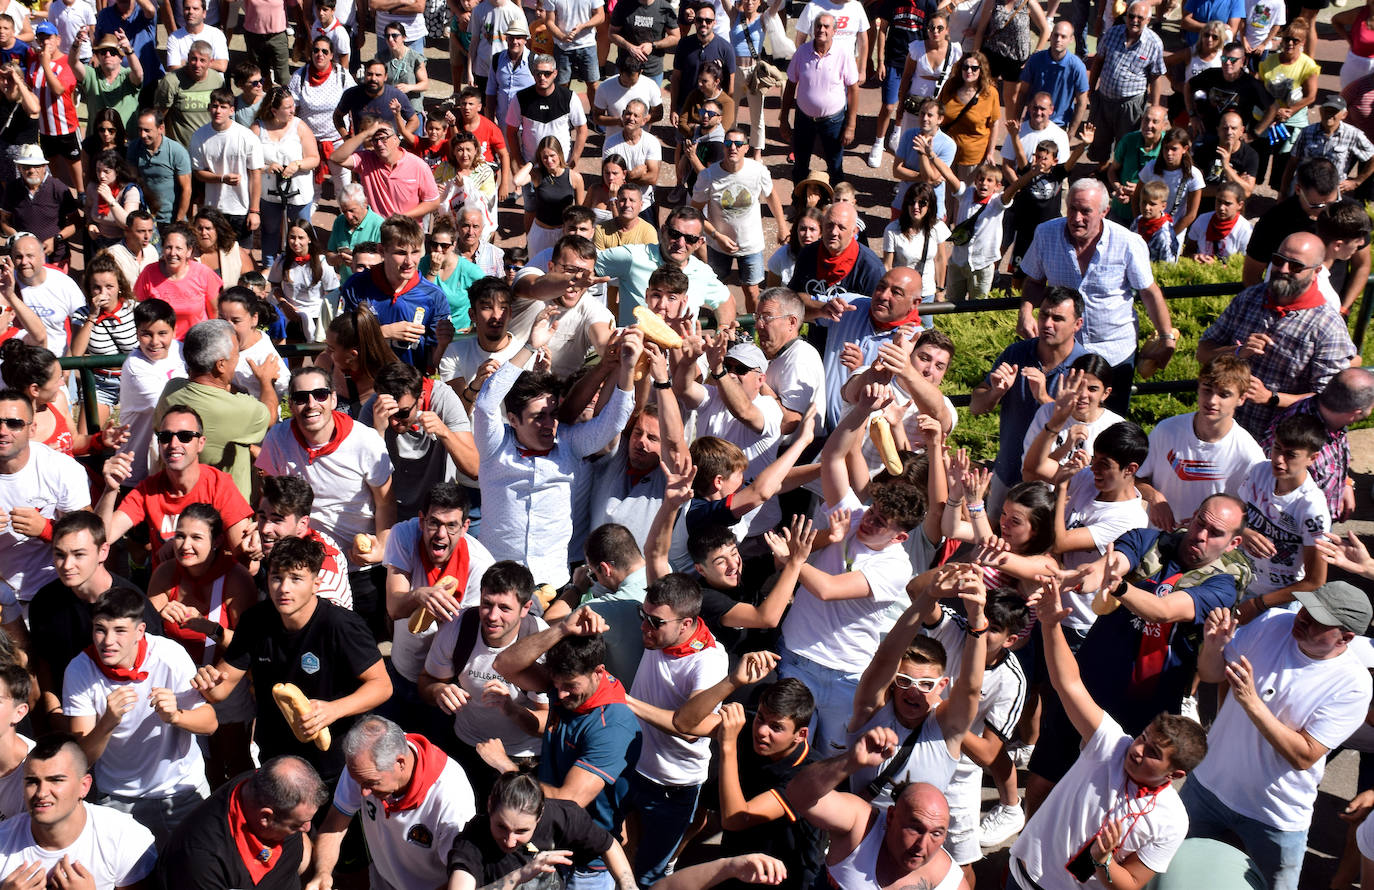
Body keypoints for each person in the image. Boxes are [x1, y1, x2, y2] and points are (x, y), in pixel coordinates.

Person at [1007, 576, 1206, 890]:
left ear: (1175, 773)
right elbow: (1069, 683)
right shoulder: (1111, 744)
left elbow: (1131, 884)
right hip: (1022, 877)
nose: (1137, 750)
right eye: (1143, 739)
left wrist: (1103, 861)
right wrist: (1049, 625)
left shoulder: (1171, 820)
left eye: (1153, 753)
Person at [1184, 584, 1373, 890]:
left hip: (1274, 814)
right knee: (1179, 872)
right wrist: (1214, 647)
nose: (1303, 618)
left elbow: (1304, 755)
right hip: (1207, 786)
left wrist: (1252, 702)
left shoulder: (1353, 685)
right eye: (1306, 608)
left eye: (1319, 619)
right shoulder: (1273, 622)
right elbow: (1211, 675)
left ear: (1346, 638)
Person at [191, 535, 391, 785]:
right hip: (277, 759)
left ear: (316, 584)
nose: (284, 588)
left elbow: (382, 685)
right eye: (277, 577)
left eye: (296, 579)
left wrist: (333, 710)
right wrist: (206, 682)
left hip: (335, 764)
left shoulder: (341, 625)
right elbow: (221, 688)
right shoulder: (255, 622)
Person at [473, 314, 640, 588]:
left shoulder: (569, 444)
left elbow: (613, 423)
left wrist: (628, 368)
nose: (549, 424)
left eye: (553, 414)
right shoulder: (494, 445)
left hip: (552, 581)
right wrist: (529, 347)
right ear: (513, 419)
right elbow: (486, 403)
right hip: (498, 579)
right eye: (538, 417)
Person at [491, 607, 642, 890]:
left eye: (569, 686)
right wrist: (560, 629)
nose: (558, 694)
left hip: (587, 864)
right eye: (555, 683)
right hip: (548, 842)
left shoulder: (612, 726)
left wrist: (506, 768)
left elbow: (568, 802)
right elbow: (504, 665)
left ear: (598, 672)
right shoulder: (567, 685)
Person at [63, 585, 215, 846]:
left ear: (140, 631)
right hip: (117, 799)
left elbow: (210, 723)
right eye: (100, 629)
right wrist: (107, 723)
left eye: (120, 631)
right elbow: (81, 759)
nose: (108, 641)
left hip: (181, 792)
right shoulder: (79, 670)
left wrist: (177, 717)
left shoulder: (169, 655)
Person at [255, 366, 395, 638]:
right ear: (291, 405)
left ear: (333, 399)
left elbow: (386, 502)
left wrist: (381, 547)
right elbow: (268, 499)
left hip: (359, 569)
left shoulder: (364, 440)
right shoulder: (277, 439)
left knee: (363, 650)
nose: (311, 404)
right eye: (301, 397)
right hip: (301, 569)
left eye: (319, 395)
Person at [1017, 178, 1173, 413]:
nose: (1077, 218)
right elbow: (1034, 282)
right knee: (1060, 420)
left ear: (1104, 211)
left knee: (1111, 429)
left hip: (1115, 352)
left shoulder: (1128, 242)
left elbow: (1149, 292)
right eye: (1072, 209)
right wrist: (1026, 312)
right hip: (1064, 353)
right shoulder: (1046, 234)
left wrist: (1166, 337)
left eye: (1085, 211)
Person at [1198, 231, 1357, 437]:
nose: (1283, 269)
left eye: (1296, 266)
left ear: (1316, 271)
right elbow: (1203, 351)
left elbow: (1328, 398)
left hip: (1280, 445)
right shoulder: (1250, 298)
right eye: (1278, 260)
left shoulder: (1327, 326)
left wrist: (1272, 398)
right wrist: (1236, 352)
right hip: (1225, 435)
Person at [146, 504, 257, 786]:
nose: (185, 545)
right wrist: (159, 616)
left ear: (217, 540)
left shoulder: (236, 579)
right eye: (180, 536)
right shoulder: (165, 574)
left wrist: (210, 628)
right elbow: (142, 632)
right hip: (177, 681)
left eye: (196, 537)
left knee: (233, 763)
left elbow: (250, 645)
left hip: (223, 677)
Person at [418, 561, 549, 798]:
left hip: (522, 757)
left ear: (526, 607)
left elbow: (550, 722)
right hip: (466, 746)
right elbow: (426, 682)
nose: (492, 616)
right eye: (486, 604)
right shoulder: (458, 627)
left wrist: (512, 710)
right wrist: (438, 691)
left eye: (504, 608)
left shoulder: (539, 639)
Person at [27, 512, 164, 727]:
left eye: (78, 554)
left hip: (127, 723)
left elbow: (155, 675)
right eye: (60, 554)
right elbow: (46, 664)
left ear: (103, 551)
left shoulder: (136, 608)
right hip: (69, 717)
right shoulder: (44, 602)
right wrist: (54, 713)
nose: (67, 565)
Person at [308, 715, 476, 890]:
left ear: (400, 763)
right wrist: (323, 873)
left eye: (371, 783)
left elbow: (461, 875)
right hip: (382, 880)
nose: (363, 792)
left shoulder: (451, 798)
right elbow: (335, 823)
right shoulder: (364, 766)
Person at [98, 404, 255, 562]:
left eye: (185, 436)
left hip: (210, 583)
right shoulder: (148, 489)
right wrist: (110, 490)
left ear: (201, 443)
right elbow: (100, 540)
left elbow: (247, 559)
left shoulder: (218, 484)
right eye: (165, 437)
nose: (173, 444)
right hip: (165, 583)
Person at [0, 734, 157, 888]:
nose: (41, 793)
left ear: (84, 786)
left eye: (56, 780)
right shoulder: (3, 840)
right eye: (32, 782)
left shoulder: (124, 837)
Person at [788, 756, 967, 890]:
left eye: (936, 833)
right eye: (915, 829)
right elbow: (798, 794)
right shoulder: (860, 824)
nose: (922, 845)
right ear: (890, 816)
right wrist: (850, 759)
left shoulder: (947, 879)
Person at [445, 771, 640, 890]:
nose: (510, 841)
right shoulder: (472, 840)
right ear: (489, 806)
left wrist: (628, 886)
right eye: (501, 827)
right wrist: (521, 875)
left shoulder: (563, 815)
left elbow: (608, 845)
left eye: (521, 831)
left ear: (539, 816)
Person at [157, 755, 328, 890]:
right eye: (297, 825)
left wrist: (319, 875)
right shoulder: (201, 860)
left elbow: (300, 849)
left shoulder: (265, 786)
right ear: (265, 818)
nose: (306, 828)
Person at [1136, 355, 1265, 530]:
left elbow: (1252, 515)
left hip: (1207, 550)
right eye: (1207, 389)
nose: (1212, 400)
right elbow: (1135, 477)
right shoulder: (1166, 430)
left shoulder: (1249, 455)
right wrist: (1155, 498)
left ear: (1241, 399)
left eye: (1224, 394)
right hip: (1154, 539)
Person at [155, 319, 278, 498]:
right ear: (220, 365)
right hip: (229, 512)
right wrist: (266, 381)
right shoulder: (238, 409)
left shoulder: (171, 390)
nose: (238, 359)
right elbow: (271, 415)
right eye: (236, 353)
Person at [0, 389, 91, 611]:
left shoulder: (60, 468)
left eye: (14, 423)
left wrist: (47, 529)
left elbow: (90, 536)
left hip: (55, 592)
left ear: (32, 429)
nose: (2, 431)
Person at [692, 127, 787, 314]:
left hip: (750, 245)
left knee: (752, 290)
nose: (732, 147)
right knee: (718, 290)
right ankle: (725, 328)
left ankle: (751, 331)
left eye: (738, 144)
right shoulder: (708, 176)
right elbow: (695, 212)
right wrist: (716, 236)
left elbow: (771, 196)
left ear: (746, 148)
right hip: (718, 246)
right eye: (728, 143)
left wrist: (782, 227)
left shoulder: (758, 171)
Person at [338, 214, 451, 372]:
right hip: (366, 386)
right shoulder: (356, 286)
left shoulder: (433, 296)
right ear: (381, 251)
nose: (409, 261)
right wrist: (385, 332)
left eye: (416, 252)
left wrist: (443, 344)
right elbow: (340, 339)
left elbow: (431, 363)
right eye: (401, 253)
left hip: (411, 387)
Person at [779, 14, 859, 186]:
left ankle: (837, 207)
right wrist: (783, 118)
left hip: (833, 121)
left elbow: (853, 89)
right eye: (818, 26)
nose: (821, 30)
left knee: (835, 167)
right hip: (804, 119)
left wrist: (851, 125)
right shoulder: (802, 52)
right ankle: (798, 203)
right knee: (800, 165)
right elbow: (791, 85)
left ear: (834, 31)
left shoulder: (843, 53)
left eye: (826, 26)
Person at [1087, 2, 1165, 163]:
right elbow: (1098, 61)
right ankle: (1101, 169)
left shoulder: (1154, 43)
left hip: (1131, 105)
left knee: (1126, 142)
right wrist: (1091, 89)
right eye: (1131, 16)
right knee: (1100, 139)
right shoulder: (1112, 33)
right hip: (1104, 99)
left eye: (1140, 17)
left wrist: (1155, 107)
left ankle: (1118, 174)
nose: (1134, 20)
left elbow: (1156, 77)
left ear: (1148, 20)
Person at [190, 88, 266, 245]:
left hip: (241, 208)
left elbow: (255, 175)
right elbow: (198, 173)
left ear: (232, 110)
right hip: (213, 209)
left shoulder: (246, 137)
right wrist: (222, 179)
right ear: (209, 108)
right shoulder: (199, 136)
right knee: (213, 254)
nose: (218, 111)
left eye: (223, 107)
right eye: (214, 106)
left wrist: (254, 211)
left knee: (242, 255)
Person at [332, 115, 440, 221]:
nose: (379, 143)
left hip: (407, 230)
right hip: (376, 231)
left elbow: (433, 202)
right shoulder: (366, 159)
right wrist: (366, 134)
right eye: (375, 139)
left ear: (396, 139)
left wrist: (403, 217)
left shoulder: (418, 165)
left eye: (384, 138)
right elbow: (336, 158)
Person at [132, 224, 222, 339]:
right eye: (168, 247)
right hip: (160, 345)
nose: (173, 253)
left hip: (196, 343)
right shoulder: (149, 273)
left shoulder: (203, 273)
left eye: (178, 248)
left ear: (189, 251)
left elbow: (214, 314)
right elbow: (139, 311)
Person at [504, 53, 588, 172]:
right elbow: (511, 132)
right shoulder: (520, 98)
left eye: (547, 73)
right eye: (538, 73)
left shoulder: (568, 97)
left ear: (555, 73)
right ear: (533, 74)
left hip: (561, 168)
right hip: (532, 168)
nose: (542, 77)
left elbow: (582, 129)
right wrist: (520, 162)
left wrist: (574, 159)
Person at [1282, 95, 1374, 196]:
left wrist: (1356, 182)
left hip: (1332, 192)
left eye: (1334, 111)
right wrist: (1283, 192)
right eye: (1326, 110)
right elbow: (1293, 162)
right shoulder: (1307, 131)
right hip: (1304, 188)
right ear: (1320, 111)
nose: (1329, 114)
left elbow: (1372, 157)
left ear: (1344, 115)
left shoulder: (1353, 134)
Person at [1, 157, 79, 274]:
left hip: (56, 257)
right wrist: (18, 238)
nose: (32, 170)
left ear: (44, 167)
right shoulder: (12, 188)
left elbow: (76, 222)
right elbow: (4, 220)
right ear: (19, 168)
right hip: (24, 259)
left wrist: (56, 239)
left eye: (36, 166)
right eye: (26, 167)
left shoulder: (58, 188)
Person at [1013, 21, 1088, 133]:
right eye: (1056, 35)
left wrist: (1071, 133)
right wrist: (1017, 120)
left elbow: (1082, 102)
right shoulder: (1035, 60)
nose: (1058, 39)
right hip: (1033, 121)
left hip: (1058, 126)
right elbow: (1023, 92)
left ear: (1071, 39)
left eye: (1063, 36)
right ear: (1050, 36)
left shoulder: (1077, 67)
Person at [154, 40, 225, 147]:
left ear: (211, 62)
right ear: (188, 58)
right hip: (181, 150)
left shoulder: (217, 80)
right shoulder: (171, 81)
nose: (197, 64)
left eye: (202, 60)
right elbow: (159, 117)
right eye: (193, 59)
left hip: (210, 147)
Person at [128, 109, 192, 227]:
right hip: (145, 219)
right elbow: (132, 181)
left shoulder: (176, 151)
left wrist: (179, 220)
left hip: (170, 220)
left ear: (160, 128)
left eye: (147, 130)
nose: (143, 135)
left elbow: (186, 189)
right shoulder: (134, 148)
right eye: (140, 130)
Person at [70, 31, 143, 130]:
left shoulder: (127, 75)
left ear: (121, 58)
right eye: (103, 52)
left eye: (113, 52)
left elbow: (138, 74)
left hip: (126, 141)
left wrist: (129, 50)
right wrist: (76, 45)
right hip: (96, 142)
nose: (108, 55)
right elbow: (73, 63)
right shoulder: (91, 74)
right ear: (98, 56)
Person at [333, 59, 418, 142]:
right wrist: (346, 137)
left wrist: (399, 138)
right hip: (362, 149)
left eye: (378, 75)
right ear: (364, 74)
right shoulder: (352, 94)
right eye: (370, 74)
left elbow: (414, 121)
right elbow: (337, 116)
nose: (373, 78)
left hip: (388, 150)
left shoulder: (396, 95)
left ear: (385, 77)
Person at [325, 184, 384, 278]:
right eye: (344, 211)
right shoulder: (339, 221)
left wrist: (357, 262)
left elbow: (386, 264)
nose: (348, 216)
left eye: (352, 210)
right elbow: (329, 256)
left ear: (364, 203)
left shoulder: (379, 226)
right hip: (346, 285)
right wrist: (339, 258)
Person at [166, 0, 227, 71]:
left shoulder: (217, 34)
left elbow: (221, 66)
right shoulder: (174, 37)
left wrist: (185, 63)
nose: (191, 12)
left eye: (195, 9)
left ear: (204, 13)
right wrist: (209, 63)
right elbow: (173, 68)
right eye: (187, 8)